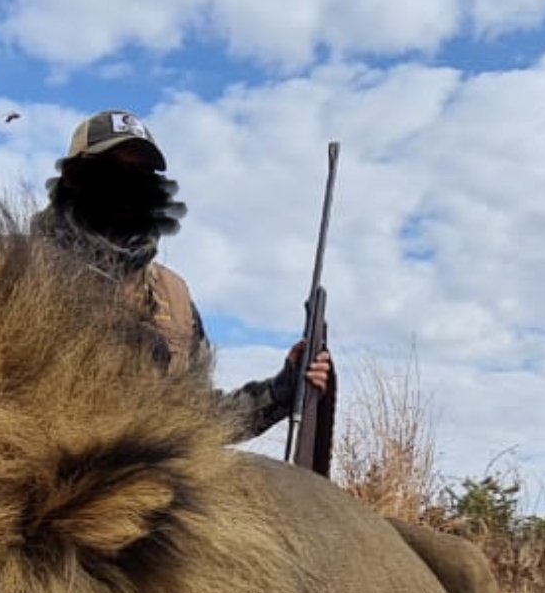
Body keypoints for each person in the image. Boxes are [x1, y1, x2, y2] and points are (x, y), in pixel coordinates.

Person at [30, 109, 331, 442]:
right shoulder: (11, 269)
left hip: (144, 484)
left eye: (140, 175)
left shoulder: (174, 298)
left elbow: (197, 419)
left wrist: (284, 389)